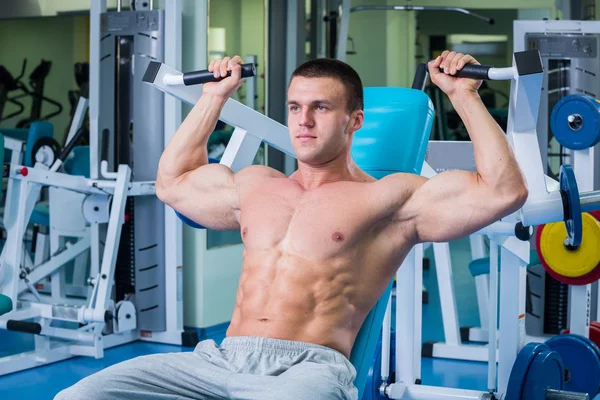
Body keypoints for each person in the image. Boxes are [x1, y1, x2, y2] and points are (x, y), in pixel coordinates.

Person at [55, 51, 528, 400]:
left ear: (354, 121)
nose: (303, 121)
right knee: (77, 397)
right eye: (295, 107)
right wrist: (213, 97)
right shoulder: (258, 185)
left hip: (308, 370)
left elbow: (503, 191)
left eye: (321, 108)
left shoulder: (389, 197)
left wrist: (462, 96)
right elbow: (173, 182)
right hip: (219, 359)